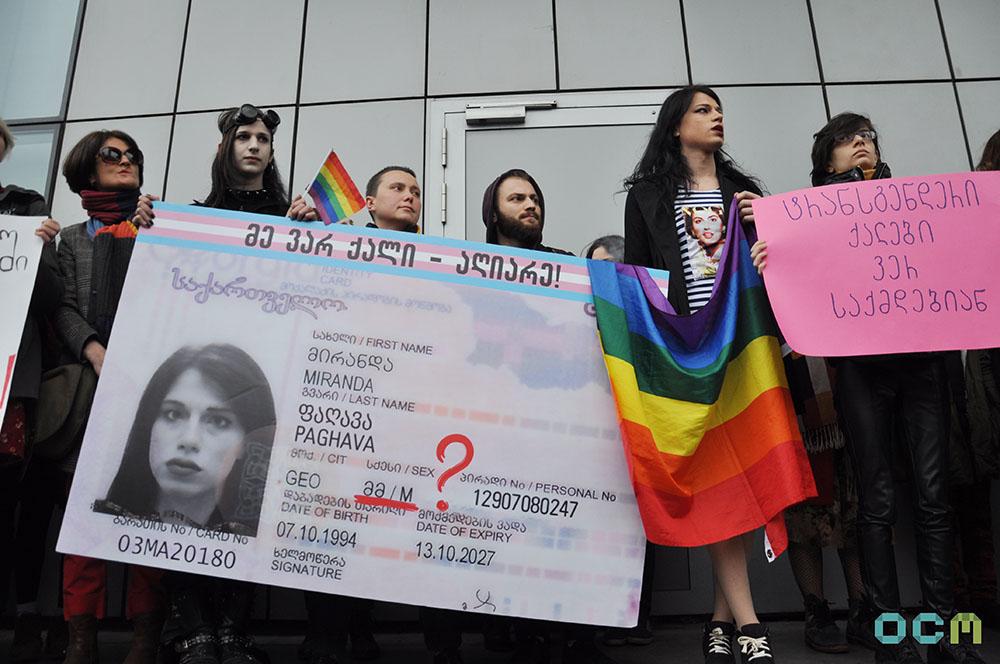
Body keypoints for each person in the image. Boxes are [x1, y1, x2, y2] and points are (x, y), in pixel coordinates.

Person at [752, 113, 985, 664]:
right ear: (825, 160)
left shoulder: (914, 205)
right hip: (860, 370)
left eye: (869, 138)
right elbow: (794, 290)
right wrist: (771, 262)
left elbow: (956, 258)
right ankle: (890, 637)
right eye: (848, 139)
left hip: (922, 364)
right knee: (876, 500)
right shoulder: (805, 222)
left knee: (933, 499)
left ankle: (949, 633)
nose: (862, 144)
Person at [623, 85, 777, 664]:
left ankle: (720, 617)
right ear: (676, 125)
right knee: (714, 476)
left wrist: (763, 237)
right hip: (688, 351)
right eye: (703, 111)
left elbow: (773, 271)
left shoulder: (746, 195)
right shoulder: (647, 196)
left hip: (744, 349)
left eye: (720, 112)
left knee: (737, 474)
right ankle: (749, 621)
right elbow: (641, 277)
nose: (717, 119)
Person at [481, 168, 617, 664]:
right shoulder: (471, 267)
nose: (530, 205)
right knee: (509, 534)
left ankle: (580, 637)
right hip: (496, 428)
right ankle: (521, 634)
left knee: (568, 531)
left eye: (535, 197)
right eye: (517, 198)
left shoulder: (567, 267)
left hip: (563, 427)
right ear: (494, 213)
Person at [54, 129, 165, 664]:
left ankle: (145, 635)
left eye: (132, 156)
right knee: (83, 513)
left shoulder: (159, 227)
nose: (125, 162)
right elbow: (63, 307)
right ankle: (82, 637)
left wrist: (149, 240)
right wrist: (96, 351)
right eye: (111, 155)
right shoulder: (69, 238)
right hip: (93, 392)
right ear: (85, 170)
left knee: (144, 506)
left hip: (148, 388)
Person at [0, 117, 68, 662]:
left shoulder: (22, 208)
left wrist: (40, 249)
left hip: (7, 382)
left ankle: (20, 615)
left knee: (6, 501)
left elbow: (46, 298)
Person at [94, 344, 275, 535]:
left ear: (246, 443)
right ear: (148, 425)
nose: (189, 440)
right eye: (173, 414)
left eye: (218, 421)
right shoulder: (92, 533)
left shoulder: (257, 555)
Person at [364, 165, 421, 232]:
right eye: (398, 188)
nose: (410, 196)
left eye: (416, 193)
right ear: (371, 203)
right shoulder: (350, 240)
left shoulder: (433, 242)